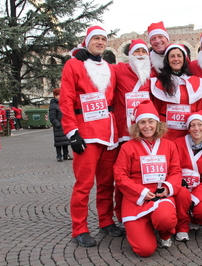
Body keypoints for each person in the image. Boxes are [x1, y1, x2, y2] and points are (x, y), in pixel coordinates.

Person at [59, 25, 123, 247]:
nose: (100, 42)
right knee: (84, 184)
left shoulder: (110, 68)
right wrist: (71, 132)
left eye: (103, 39)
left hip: (109, 134)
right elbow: (65, 100)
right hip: (86, 135)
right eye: (95, 38)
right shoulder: (73, 65)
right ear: (87, 42)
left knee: (107, 183)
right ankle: (79, 228)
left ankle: (106, 221)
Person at [113, 100, 181, 257]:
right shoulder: (127, 147)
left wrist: (167, 188)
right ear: (137, 126)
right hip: (136, 199)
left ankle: (164, 234)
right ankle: (146, 227)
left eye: (151, 121)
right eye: (142, 122)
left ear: (157, 124)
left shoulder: (169, 146)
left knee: (165, 219)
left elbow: (176, 171)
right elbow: (120, 176)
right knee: (144, 250)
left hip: (159, 196)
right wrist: (141, 191)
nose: (147, 126)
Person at [112, 39, 152, 228]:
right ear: (130, 55)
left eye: (144, 51)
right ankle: (120, 214)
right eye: (137, 51)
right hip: (125, 132)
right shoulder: (119, 70)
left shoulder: (152, 74)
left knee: (146, 173)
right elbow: (98, 70)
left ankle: (148, 209)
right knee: (123, 176)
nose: (141, 54)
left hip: (147, 132)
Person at [174, 110, 202, 241]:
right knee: (182, 195)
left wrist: (196, 197)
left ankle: (194, 219)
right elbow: (172, 168)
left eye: (199, 125)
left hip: (199, 189)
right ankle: (182, 226)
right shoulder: (177, 144)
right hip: (181, 188)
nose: (196, 128)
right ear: (188, 128)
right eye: (192, 125)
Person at [151, 44, 202, 140]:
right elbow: (155, 109)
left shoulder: (197, 82)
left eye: (179, 56)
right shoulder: (159, 82)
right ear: (167, 60)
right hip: (166, 134)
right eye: (172, 56)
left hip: (190, 132)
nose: (176, 59)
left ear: (184, 59)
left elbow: (201, 109)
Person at [49, 88, 72, 162]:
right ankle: (59, 156)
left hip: (64, 125)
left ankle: (66, 155)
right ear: (56, 95)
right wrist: (58, 124)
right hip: (58, 126)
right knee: (58, 142)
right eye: (59, 95)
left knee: (65, 141)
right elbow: (52, 117)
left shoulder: (62, 103)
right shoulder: (53, 105)